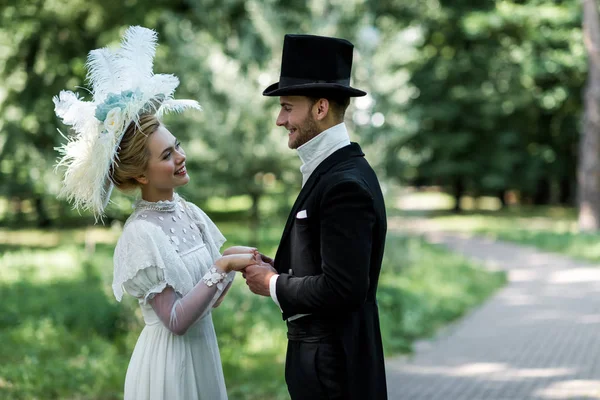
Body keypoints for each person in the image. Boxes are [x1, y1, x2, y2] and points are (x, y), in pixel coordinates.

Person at [53, 26, 255, 400]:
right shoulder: (140, 234)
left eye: (176, 146)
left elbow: (212, 297)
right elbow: (176, 321)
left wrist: (236, 260)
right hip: (169, 368)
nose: (181, 157)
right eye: (167, 155)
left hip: (203, 356)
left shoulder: (190, 213)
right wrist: (223, 267)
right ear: (140, 174)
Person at [243, 34, 388, 399]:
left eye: (288, 107)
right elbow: (330, 265)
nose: (280, 120)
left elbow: (343, 289)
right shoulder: (333, 170)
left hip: (334, 368)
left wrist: (272, 285)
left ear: (320, 108)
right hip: (324, 361)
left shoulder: (345, 184)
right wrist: (278, 268)